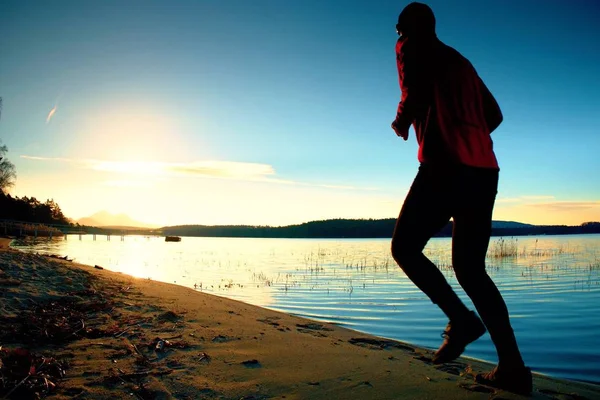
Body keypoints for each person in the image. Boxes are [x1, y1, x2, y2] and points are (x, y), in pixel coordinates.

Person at [390, 2, 532, 395]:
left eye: (398, 30)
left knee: (404, 247)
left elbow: (414, 90)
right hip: (483, 171)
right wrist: (468, 129)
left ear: (407, 28)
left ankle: (462, 320)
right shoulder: (460, 60)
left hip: (444, 166)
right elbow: (496, 114)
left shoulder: (410, 47)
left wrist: (403, 120)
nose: (397, 37)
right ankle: (514, 369)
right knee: (471, 270)